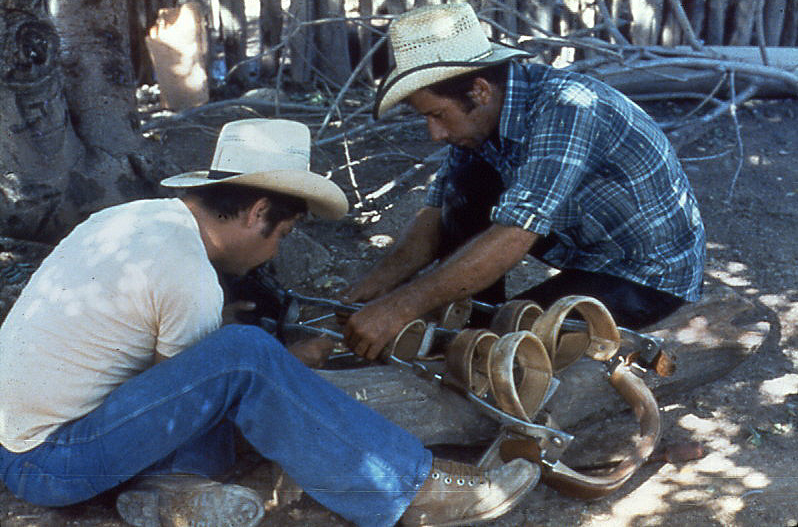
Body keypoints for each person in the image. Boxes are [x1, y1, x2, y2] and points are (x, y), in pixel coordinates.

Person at [0, 119, 538, 527]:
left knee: (242, 353)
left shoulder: (134, 218)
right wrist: (284, 364)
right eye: (280, 234)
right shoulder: (187, 272)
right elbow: (189, 407)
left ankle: (174, 492)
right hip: (51, 463)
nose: (274, 248)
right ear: (258, 213)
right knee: (246, 356)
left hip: (19, 444)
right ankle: (411, 486)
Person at [342, 3, 706, 360]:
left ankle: (479, 325)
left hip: (647, 274)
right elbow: (436, 215)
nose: (434, 133)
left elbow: (515, 234)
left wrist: (400, 307)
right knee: (465, 184)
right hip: (587, 244)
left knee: (502, 343)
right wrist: (376, 286)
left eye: (438, 115)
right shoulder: (481, 120)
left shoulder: (568, 109)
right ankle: (474, 313)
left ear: (480, 91)